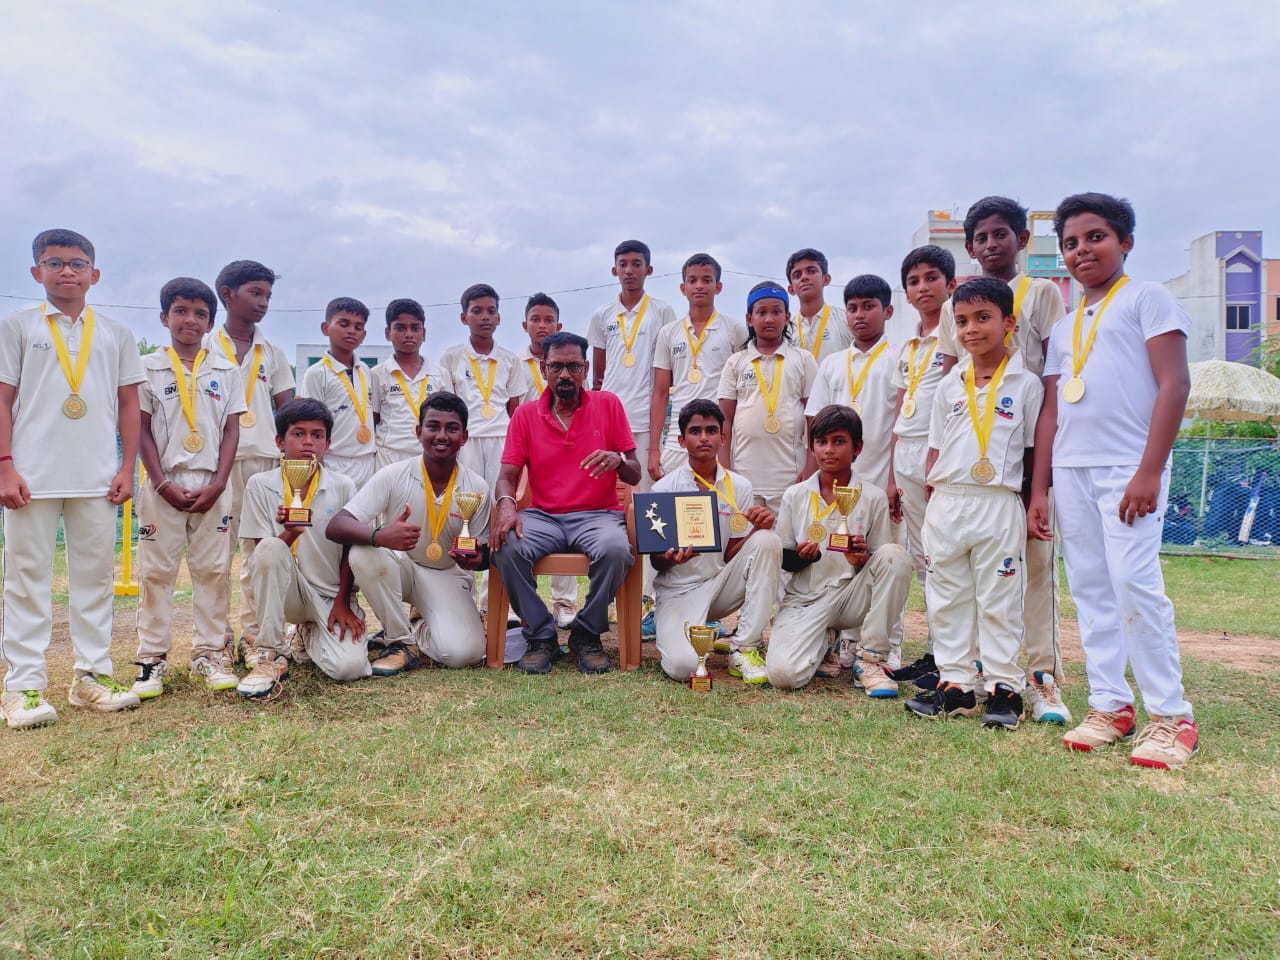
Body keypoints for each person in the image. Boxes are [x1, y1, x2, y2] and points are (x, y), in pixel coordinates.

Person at [1029, 192, 1196, 769]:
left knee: (1133, 584)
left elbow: (1174, 386)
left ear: (1125, 241)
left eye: (1095, 237)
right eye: (1071, 243)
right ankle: (1109, 704)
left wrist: (1149, 470)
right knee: (1093, 590)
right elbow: (1052, 411)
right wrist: (1040, 488)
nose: (1082, 251)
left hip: (1129, 467)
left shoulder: (1148, 299)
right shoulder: (1064, 328)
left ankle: (1171, 716)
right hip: (1072, 470)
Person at [0, 229, 145, 729]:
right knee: (25, 581)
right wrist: (5, 464)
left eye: (78, 263)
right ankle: (22, 686)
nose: (67, 271)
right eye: (54, 262)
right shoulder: (16, 327)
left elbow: (130, 404)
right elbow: (2, 399)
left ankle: (92, 677)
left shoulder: (115, 334)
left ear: (94, 274)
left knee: (94, 581)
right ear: (36, 272)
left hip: (98, 476)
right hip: (30, 476)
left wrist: (127, 469)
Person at [937, 196, 1070, 723]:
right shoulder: (960, 301)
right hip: (969, 469)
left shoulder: (1041, 294)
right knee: (964, 579)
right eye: (981, 238)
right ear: (969, 247)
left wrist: (1038, 485)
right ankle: (965, 675)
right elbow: (952, 376)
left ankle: (1040, 679)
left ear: (1022, 239)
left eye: (1000, 234)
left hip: (1025, 450)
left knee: (1031, 572)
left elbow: (1053, 380)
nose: (991, 245)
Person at [903, 278, 1041, 730]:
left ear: (1009, 323)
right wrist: (931, 487)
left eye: (983, 318)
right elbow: (937, 447)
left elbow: (1033, 450)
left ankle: (1004, 688)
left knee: (999, 599)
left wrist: (1034, 499)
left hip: (997, 501)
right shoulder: (950, 385)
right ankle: (956, 685)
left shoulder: (1026, 384)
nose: (971, 329)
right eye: (961, 321)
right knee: (946, 598)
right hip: (948, 500)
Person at [491, 332, 641, 675]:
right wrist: (507, 505)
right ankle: (541, 634)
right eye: (556, 366)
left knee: (616, 549)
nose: (564, 375)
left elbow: (634, 475)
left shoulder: (608, 405)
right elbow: (507, 476)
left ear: (585, 368)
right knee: (506, 546)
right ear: (544, 369)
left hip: (598, 516)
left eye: (573, 366)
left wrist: (618, 460)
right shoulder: (526, 415)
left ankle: (586, 633)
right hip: (543, 517)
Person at [132, 278, 245, 698]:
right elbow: (140, 430)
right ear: (164, 317)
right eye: (181, 311)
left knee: (214, 571)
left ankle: (209, 653)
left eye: (200, 314)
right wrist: (160, 482)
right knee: (156, 573)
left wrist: (219, 482)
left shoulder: (225, 369)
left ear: (210, 322)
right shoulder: (146, 367)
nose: (190, 320)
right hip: (164, 485)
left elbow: (232, 430)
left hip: (213, 487)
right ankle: (151, 658)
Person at [327, 392, 488, 674]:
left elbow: (485, 552)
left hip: (447, 574)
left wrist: (476, 558)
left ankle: (418, 625)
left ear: (464, 436)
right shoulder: (393, 475)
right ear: (418, 432)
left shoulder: (476, 487)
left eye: (452, 428)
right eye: (433, 426)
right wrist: (380, 535)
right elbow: (337, 525)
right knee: (364, 552)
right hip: (400, 566)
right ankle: (400, 642)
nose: (441, 435)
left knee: (464, 654)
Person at [766, 405, 911, 692]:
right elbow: (784, 558)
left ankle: (870, 659)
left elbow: (882, 562)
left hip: (851, 597)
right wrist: (801, 557)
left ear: (857, 447)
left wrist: (860, 559)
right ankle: (823, 643)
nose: (829, 450)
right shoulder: (795, 495)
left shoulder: (873, 497)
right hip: (806, 599)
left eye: (838, 441)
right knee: (784, 676)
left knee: (896, 556)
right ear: (812, 447)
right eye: (821, 442)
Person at [236, 398, 368, 697]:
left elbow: (350, 550)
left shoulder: (344, 485)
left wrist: (343, 601)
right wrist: (291, 533)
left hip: (329, 595)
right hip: (285, 595)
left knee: (349, 668)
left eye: (317, 435)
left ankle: (306, 636)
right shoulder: (260, 484)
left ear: (328, 443)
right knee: (271, 545)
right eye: (298, 434)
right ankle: (270, 654)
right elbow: (263, 557)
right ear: (280, 441)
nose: (308, 442)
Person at [650, 400, 781, 685]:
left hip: (720, 584)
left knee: (768, 540)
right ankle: (696, 636)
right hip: (678, 590)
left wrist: (755, 531)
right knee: (684, 668)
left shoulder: (740, 486)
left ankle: (743, 647)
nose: (704, 437)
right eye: (695, 431)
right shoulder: (664, 488)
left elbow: (733, 551)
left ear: (723, 437)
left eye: (711, 430)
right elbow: (655, 560)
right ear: (682, 440)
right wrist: (670, 558)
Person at [205, 259, 294, 668]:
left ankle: (256, 634)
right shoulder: (204, 346)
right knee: (214, 554)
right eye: (255, 294)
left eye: (267, 296)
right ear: (227, 294)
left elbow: (287, 411)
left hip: (264, 461)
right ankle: (215, 638)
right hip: (214, 463)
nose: (263, 303)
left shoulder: (272, 351)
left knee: (259, 550)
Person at [588, 240, 678, 607]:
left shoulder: (662, 311)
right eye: (623, 264)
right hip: (607, 424)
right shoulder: (602, 315)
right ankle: (610, 592)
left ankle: (649, 596)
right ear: (614, 270)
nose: (629, 270)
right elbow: (597, 376)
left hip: (644, 422)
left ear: (648, 269)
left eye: (636, 263)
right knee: (607, 505)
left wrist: (658, 437)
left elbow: (666, 373)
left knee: (648, 508)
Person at [885, 246, 955, 688]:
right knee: (922, 559)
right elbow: (899, 410)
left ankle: (958, 658)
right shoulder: (908, 346)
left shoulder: (956, 336)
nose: (923, 287)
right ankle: (935, 653)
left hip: (941, 455)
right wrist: (893, 472)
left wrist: (939, 458)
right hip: (906, 456)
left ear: (950, 284)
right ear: (907, 293)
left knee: (946, 557)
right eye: (914, 281)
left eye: (932, 278)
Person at [438, 283, 527, 617]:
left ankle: (500, 600)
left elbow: (516, 412)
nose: (484, 317)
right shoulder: (450, 358)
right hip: (466, 444)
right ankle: (464, 598)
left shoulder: (509, 360)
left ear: (499, 317)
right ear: (464, 317)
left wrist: (519, 453)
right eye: (477, 311)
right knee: (464, 516)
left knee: (499, 516)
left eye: (491, 311)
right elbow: (446, 408)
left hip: (502, 444)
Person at [717, 282, 819, 513]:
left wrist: (811, 468)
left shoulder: (803, 360)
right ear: (749, 318)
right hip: (744, 478)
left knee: (788, 546)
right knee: (748, 543)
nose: (769, 319)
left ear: (787, 317)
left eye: (776, 312)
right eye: (761, 312)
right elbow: (724, 421)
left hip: (791, 478)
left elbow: (814, 420)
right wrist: (725, 471)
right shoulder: (736, 362)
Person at [648, 253, 747, 482]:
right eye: (692, 280)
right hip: (677, 440)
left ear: (718, 286)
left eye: (706, 280)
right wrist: (654, 449)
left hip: (717, 437)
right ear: (683, 288)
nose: (699, 286)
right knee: (674, 511)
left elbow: (741, 391)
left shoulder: (734, 330)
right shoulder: (669, 332)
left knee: (720, 510)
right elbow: (661, 393)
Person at [805, 274, 898, 492]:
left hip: (884, 479)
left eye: (868, 306)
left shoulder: (899, 359)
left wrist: (894, 479)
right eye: (852, 308)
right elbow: (814, 418)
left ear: (888, 311)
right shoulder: (832, 363)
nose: (860, 315)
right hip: (837, 481)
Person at [520, 292, 578, 629]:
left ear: (559, 325)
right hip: (527, 447)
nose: (542, 325)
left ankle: (565, 602)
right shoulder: (513, 362)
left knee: (566, 515)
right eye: (535, 319)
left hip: (563, 452)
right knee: (513, 521)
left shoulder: (569, 360)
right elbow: (514, 407)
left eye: (548, 320)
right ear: (524, 324)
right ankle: (510, 605)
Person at [298, 297, 376, 487]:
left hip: (367, 461)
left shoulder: (366, 370)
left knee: (365, 517)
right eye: (344, 324)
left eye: (358, 327)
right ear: (326, 328)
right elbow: (311, 424)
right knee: (333, 516)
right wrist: (319, 467)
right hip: (334, 460)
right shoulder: (316, 373)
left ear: (364, 334)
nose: (351, 331)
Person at [372, 298, 441, 469]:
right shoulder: (376, 374)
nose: (409, 334)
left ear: (423, 333)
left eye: (415, 328)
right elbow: (374, 418)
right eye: (400, 328)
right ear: (388, 333)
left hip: (429, 455)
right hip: (389, 456)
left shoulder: (440, 374)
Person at [785, 248, 852, 364]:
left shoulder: (846, 320)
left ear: (826, 279)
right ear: (791, 289)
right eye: (797, 275)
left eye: (811, 271)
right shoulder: (786, 331)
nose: (804, 277)